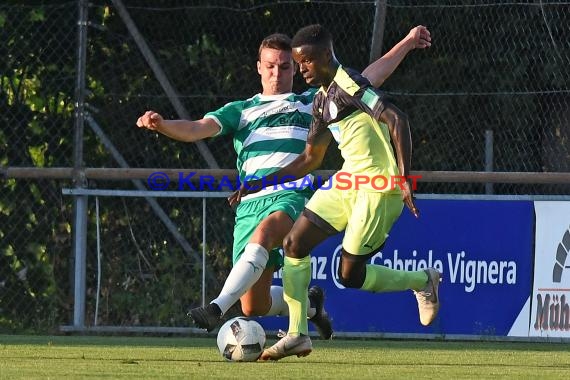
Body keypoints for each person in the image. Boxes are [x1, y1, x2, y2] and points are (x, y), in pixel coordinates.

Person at [137, 26, 432, 340]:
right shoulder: (242, 110)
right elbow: (197, 128)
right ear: (259, 68)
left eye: (286, 66)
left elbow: (370, 77)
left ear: (296, 67)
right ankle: (311, 308)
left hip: (289, 196)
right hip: (250, 202)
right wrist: (163, 125)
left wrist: (407, 42)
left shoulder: (312, 100)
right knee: (253, 306)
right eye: (271, 66)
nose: (278, 72)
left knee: (270, 233)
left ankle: (217, 307)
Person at [229, 24, 441, 361]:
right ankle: (298, 334)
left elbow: (397, 120)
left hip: (379, 187)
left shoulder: (349, 85)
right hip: (347, 181)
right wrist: (258, 183)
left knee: (349, 275)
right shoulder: (321, 100)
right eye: (298, 64)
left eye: (306, 63)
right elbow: (309, 158)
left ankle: (422, 280)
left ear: (326, 56)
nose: (302, 70)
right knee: (294, 244)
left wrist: (404, 180)